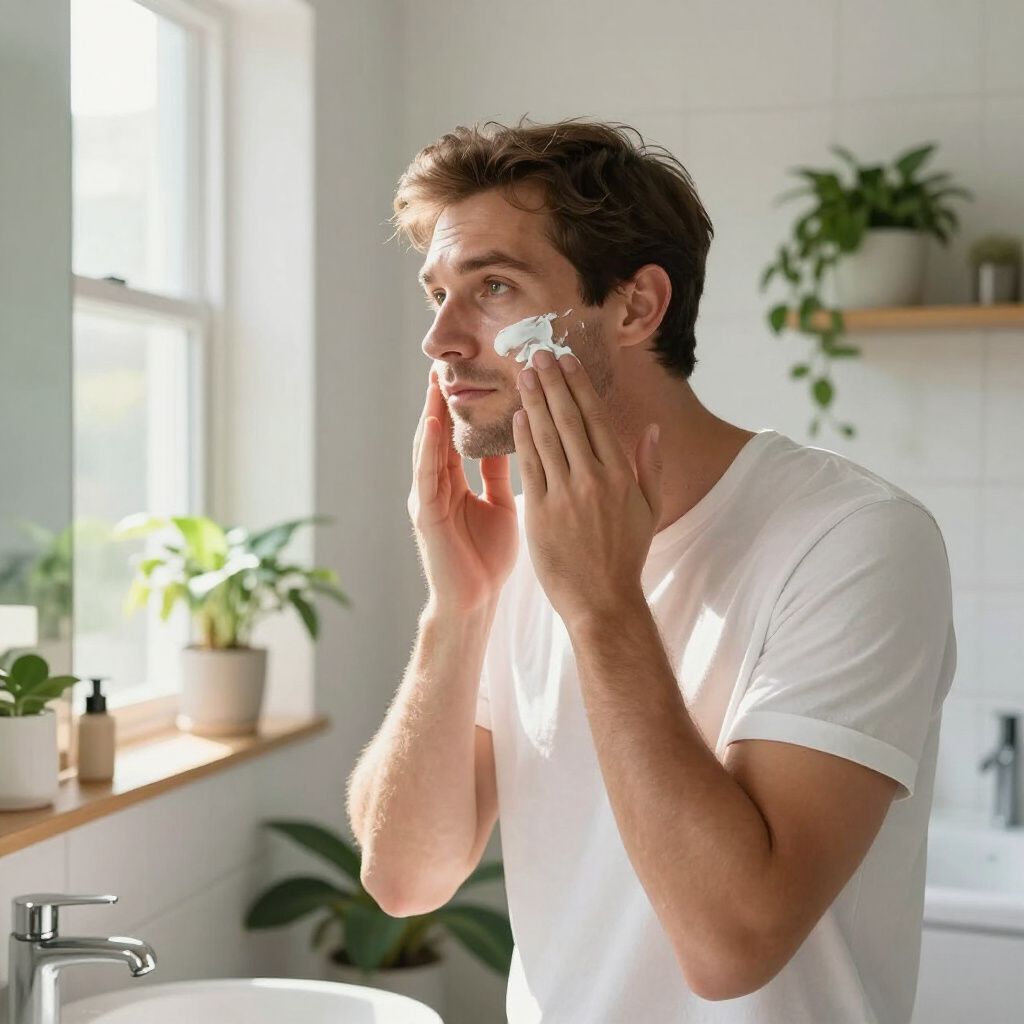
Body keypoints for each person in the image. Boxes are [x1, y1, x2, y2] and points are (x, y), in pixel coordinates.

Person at [346, 118, 956, 1024]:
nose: (440, 338)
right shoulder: (520, 541)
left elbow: (730, 946)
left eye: (494, 287)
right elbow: (405, 879)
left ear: (635, 307)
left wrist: (601, 607)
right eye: (439, 292)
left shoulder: (854, 540)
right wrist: (459, 606)